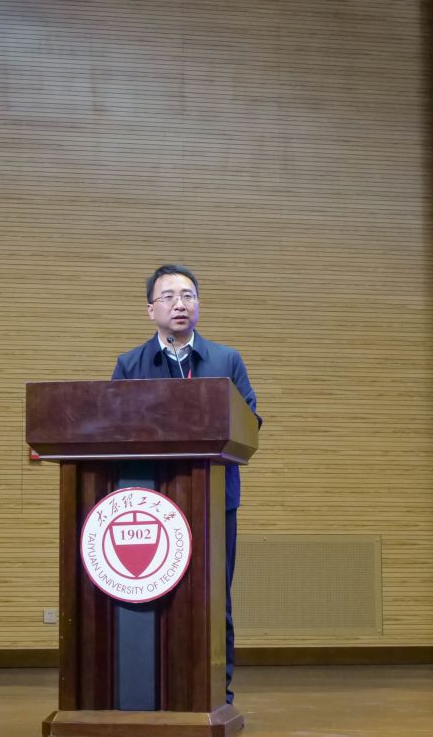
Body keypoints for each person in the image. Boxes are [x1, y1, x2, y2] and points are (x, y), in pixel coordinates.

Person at [112, 263, 261, 705]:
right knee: (153, 595)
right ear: (150, 309)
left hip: (215, 499)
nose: (180, 304)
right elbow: (112, 428)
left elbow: (251, 422)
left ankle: (217, 693)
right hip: (150, 499)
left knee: (215, 597)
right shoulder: (130, 364)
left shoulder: (226, 360)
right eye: (169, 296)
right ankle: (153, 690)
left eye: (188, 295)